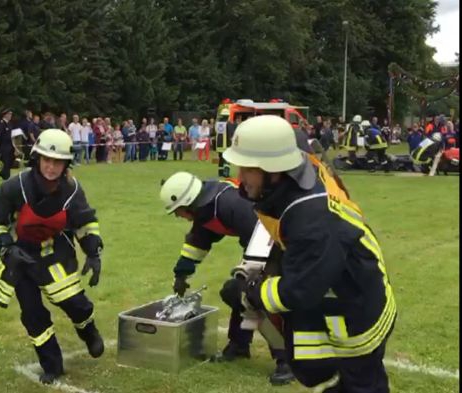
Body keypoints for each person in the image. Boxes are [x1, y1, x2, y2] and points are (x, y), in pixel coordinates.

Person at [222, 115, 396, 392]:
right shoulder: (296, 179)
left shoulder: (312, 220)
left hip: (358, 308)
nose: (240, 177)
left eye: (247, 169)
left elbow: (300, 290)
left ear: (274, 169)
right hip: (347, 286)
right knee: (344, 378)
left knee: (362, 382)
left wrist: (256, 290)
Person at [0, 129, 104, 385]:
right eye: (46, 159)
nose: (51, 166)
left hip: (55, 252)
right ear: (37, 158)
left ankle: (89, 333)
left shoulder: (72, 190)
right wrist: (5, 248)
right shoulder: (16, 186)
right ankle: (52, 364)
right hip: (20, 258)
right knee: (33, 315)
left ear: (66, 164)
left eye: (57, 161)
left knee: (74, 302)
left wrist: (93, 250)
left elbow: (85, 222)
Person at [160, 171, 295, 385]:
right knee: (236, 292)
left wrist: (252, 272)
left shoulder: (231, 203)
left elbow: (265, 235)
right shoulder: (206, 209)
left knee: (256, 297)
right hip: (265, 248)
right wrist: (181, 273)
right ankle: (239, 345)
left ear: (188, 204)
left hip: (284, 248)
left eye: (178, 211)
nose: (178, 216)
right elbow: (198, 241)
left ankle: (287, 360)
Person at [0, 108, 16, 180]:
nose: (10, 116)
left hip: (10, 144)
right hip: (4, 145)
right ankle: (6, 176)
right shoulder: (1, 123)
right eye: (9, 114)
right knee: (7, 160)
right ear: (5, 115)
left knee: (11, 159)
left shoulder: (10, 124)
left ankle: (2, 173)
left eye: (11, 114)